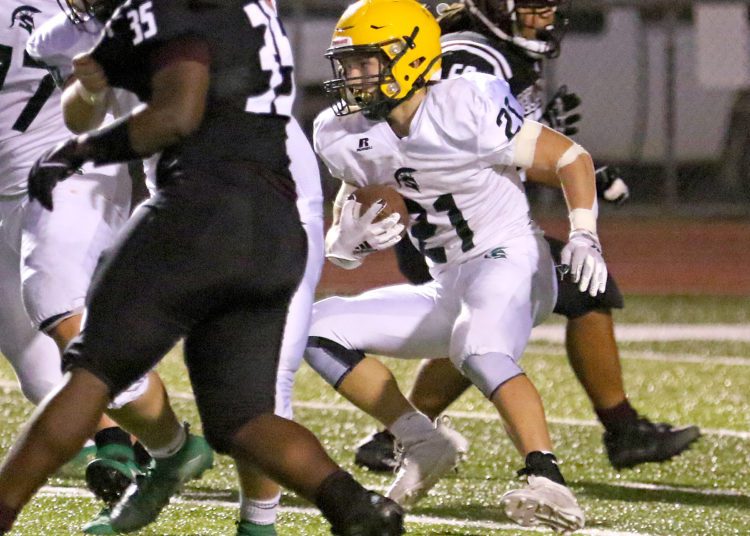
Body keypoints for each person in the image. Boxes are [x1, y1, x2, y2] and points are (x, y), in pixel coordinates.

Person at [0, 0, 403, 535]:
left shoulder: (175, 8)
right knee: (244, 418)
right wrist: (93, 81)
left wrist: (80, 152)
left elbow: (177, 113)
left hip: (203, 202)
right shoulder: (134, 19)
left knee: (91, 373)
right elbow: (91, 96)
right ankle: (357, 510)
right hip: (272, 215)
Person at [353, 0, 701, 474]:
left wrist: (562, 152)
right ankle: (620, 432)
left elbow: (496, 148)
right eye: (536, 5)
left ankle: (393, 437)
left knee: (481, 329)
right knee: (581, 288)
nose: (546, 16)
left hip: (460, 226)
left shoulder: (490, 51)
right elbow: (450, 154)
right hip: (447, 229)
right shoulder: (469, 58)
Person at [304, 0, 610, 530]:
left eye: (366, 60)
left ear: (412, 58)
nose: (353, 75)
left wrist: (584, 235)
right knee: (312, 328)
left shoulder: (465, 101)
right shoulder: (340, 131)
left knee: (477, 348)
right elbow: (348, 211)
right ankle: (422, 440)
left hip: (511, 258)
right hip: (446, 282)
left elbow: (569, 158)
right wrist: (346, 242)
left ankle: (548, 481)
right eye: (348, 62)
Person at [0, 0, 158, 509]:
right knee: (41, 373)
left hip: (71, 168)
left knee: (55, 293)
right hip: (4, 191)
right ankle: (129, 439)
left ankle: (166, 444)